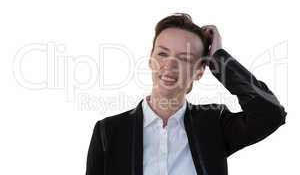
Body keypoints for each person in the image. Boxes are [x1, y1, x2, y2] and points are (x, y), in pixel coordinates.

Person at [85, 13, 287, 175]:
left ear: (199, 71)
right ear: (150, 58)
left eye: (185, 58)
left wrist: (219, 59)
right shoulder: (109, 131)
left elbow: (270, 113)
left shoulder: (213, 124)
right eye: (163, 53)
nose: (170, 65)